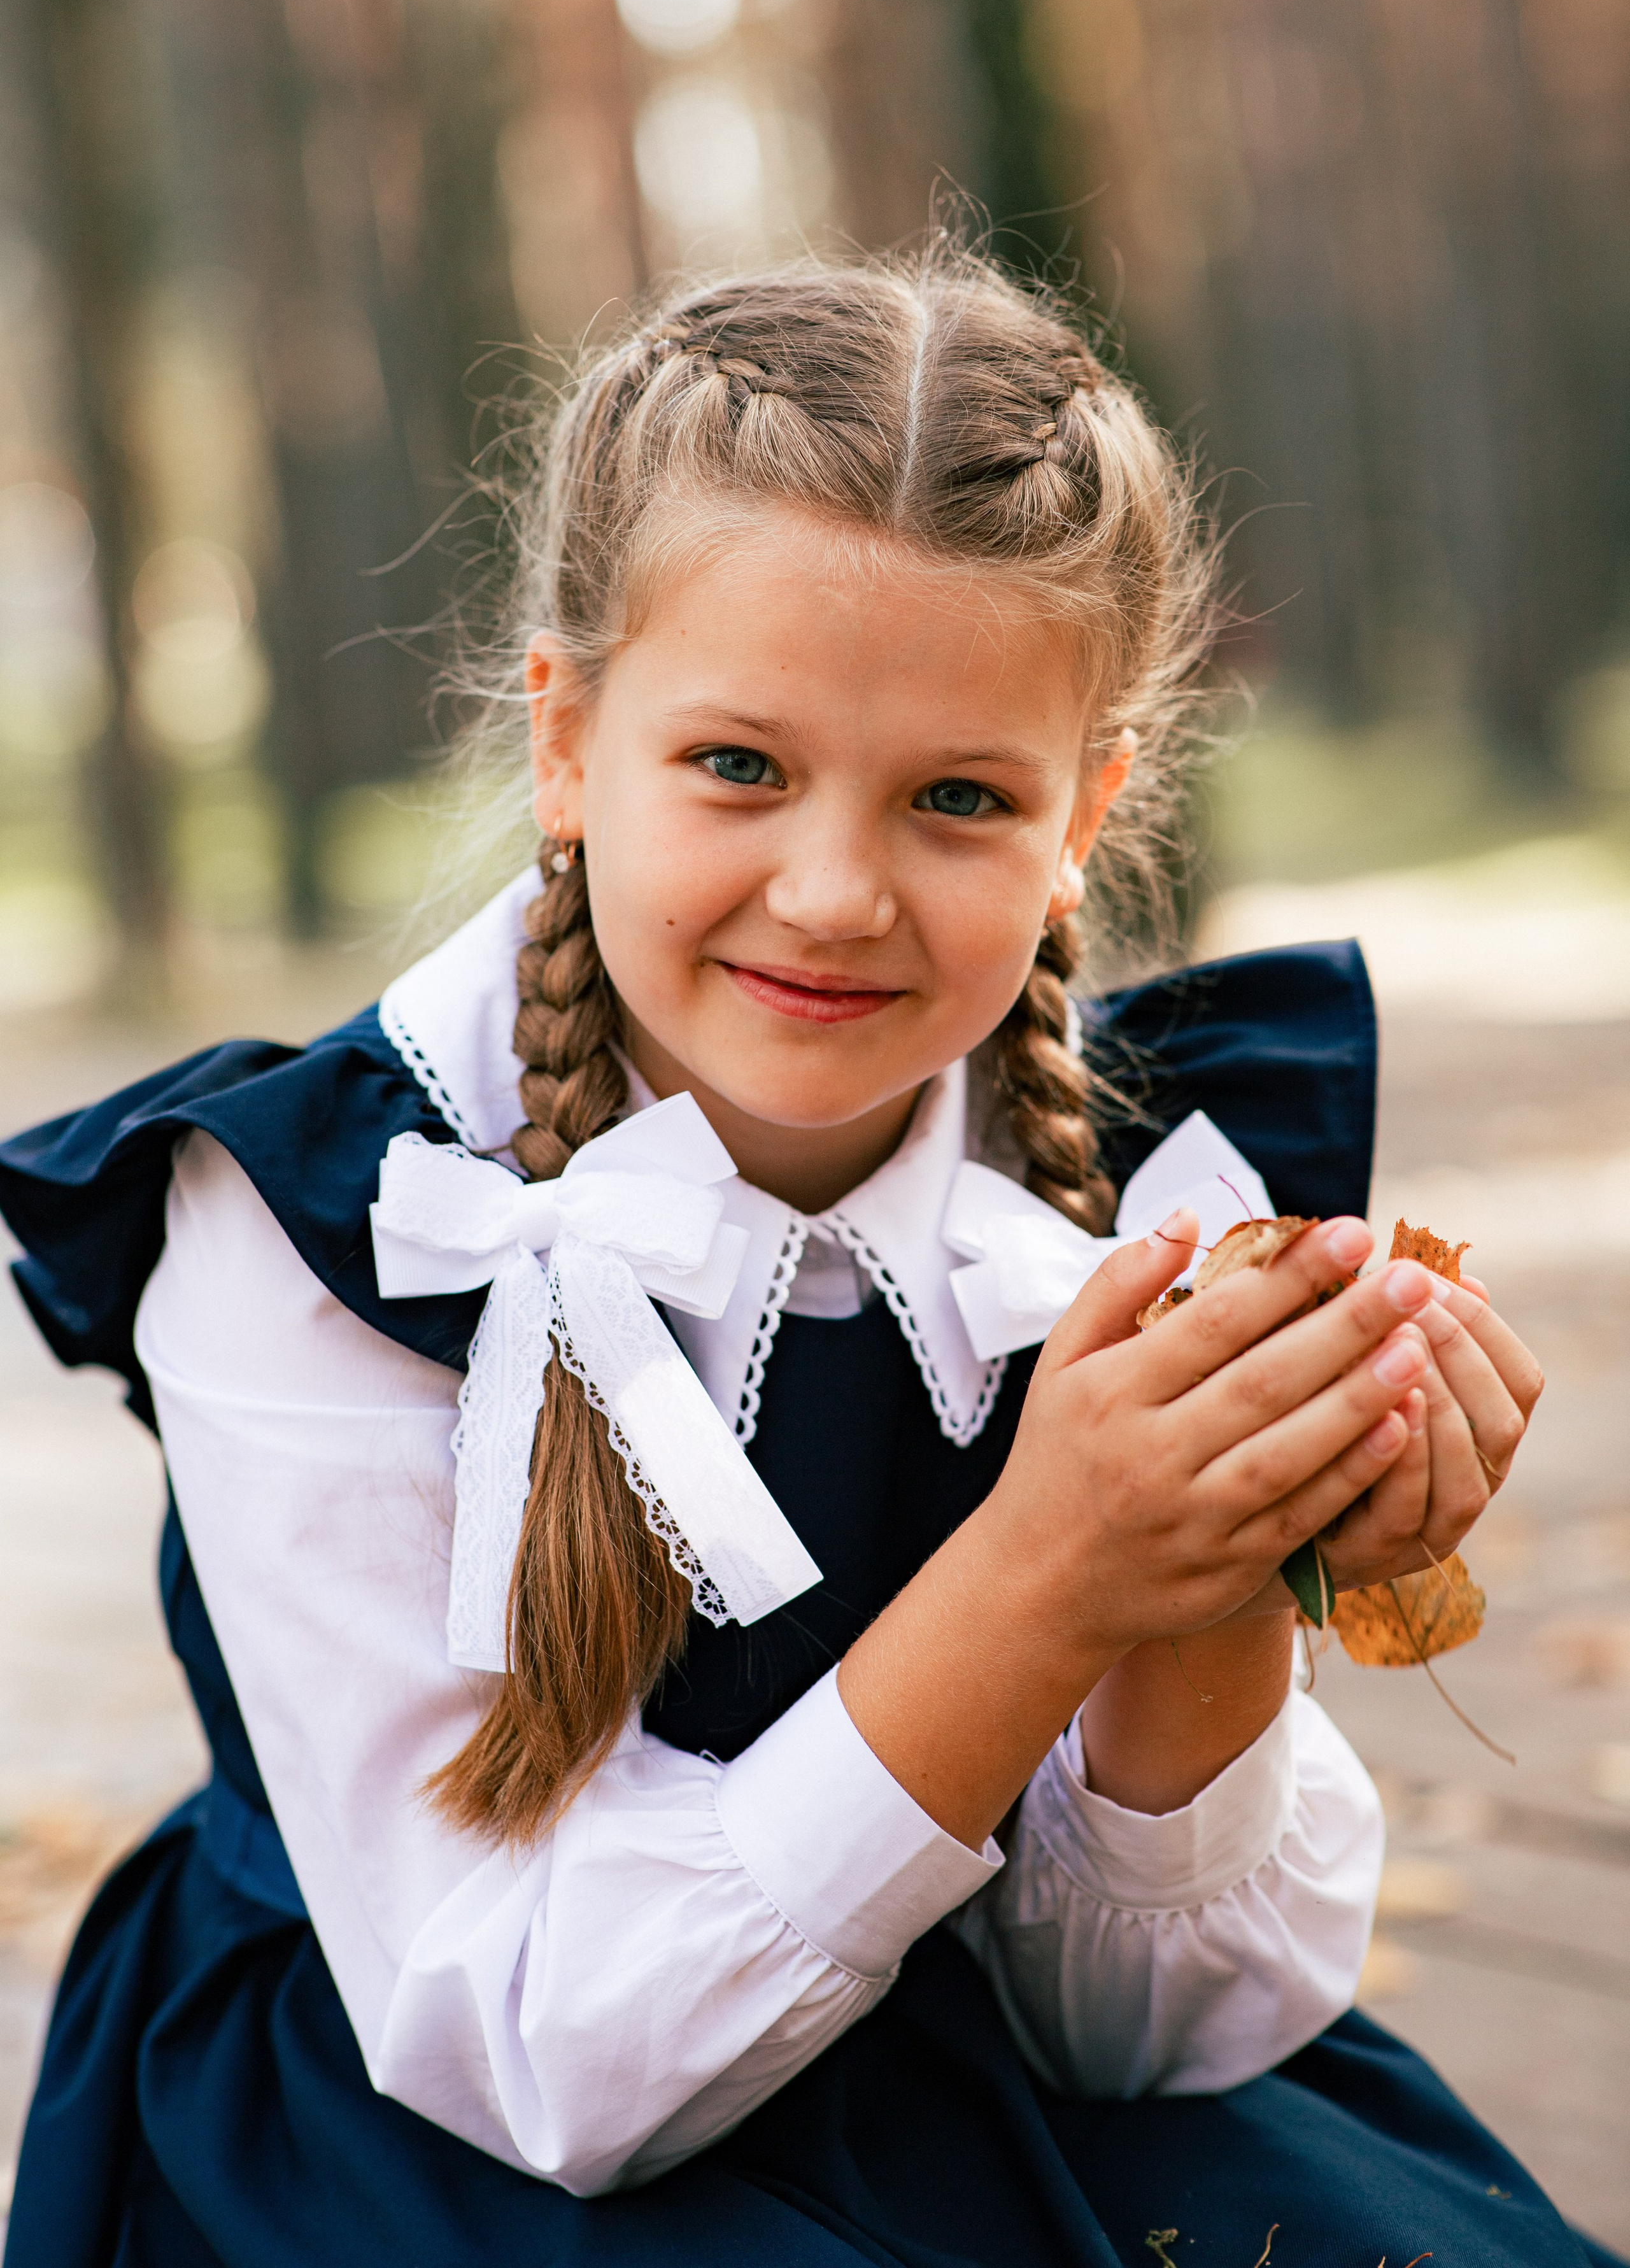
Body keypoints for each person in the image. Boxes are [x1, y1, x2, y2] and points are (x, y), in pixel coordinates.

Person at [0, 248, 1611, 2268]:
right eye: (741, 767)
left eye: (960, 797)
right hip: (452, 2122)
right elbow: (547, 2067)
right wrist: (1050, 1573)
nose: (837, 892)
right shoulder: (334, 1230)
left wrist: (1211, 1578)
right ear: (568, 740)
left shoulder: (1142, 1213)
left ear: (1085, 818)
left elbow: (1159, 2038)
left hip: (962, 2058)